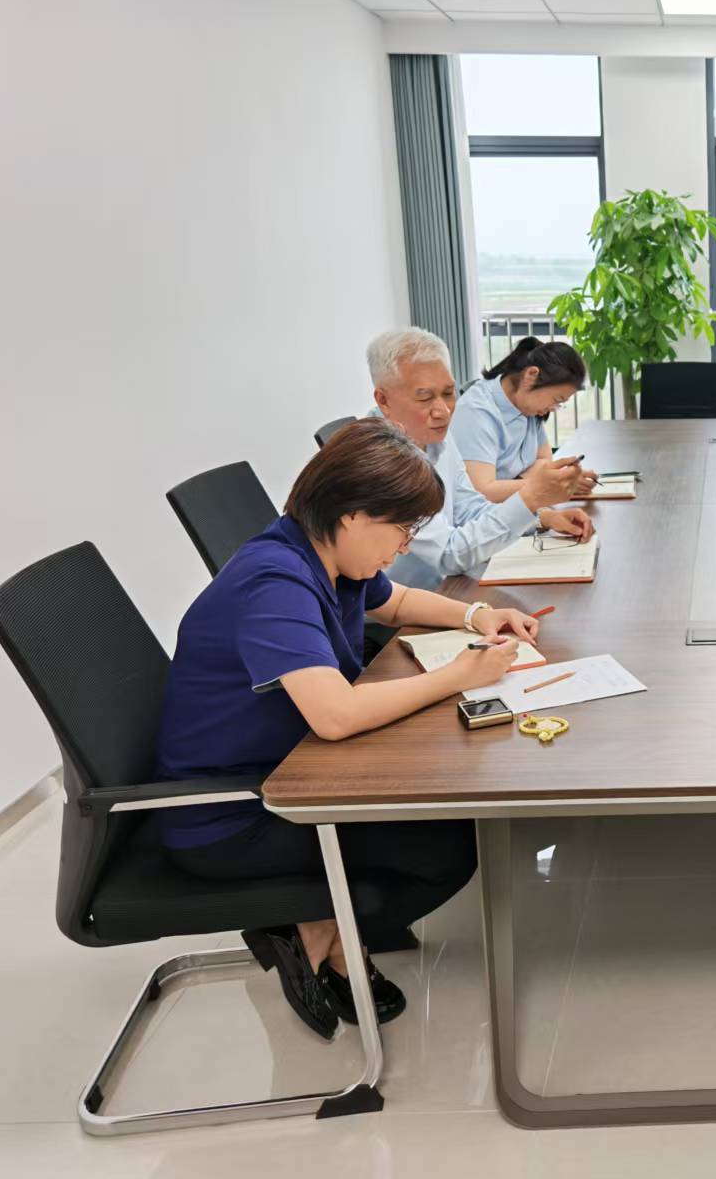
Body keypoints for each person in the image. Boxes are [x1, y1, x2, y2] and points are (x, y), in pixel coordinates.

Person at [155, 420, 543, 1039]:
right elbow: (335, 716)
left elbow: (396, 603)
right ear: (355, 514)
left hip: (293, 769)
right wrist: (460, 675)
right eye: (403, 529)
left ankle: (322, 926)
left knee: (445, 820)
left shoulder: (325, 552)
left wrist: (478, 614)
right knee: (447, 849)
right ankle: (319, 926)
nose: (405, 547)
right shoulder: (275, 582)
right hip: (234, 814)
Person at [364, 328, 593, 590]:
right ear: (384, 400)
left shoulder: (434, 436)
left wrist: (541, 517)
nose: (443, 411)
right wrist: (530, 498)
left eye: (448, 393)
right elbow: (448, 555)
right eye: (425, 397)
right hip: (411, 598)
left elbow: (469, 508)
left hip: (448, 585)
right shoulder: (382, 458)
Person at [449, 336, 600, 504]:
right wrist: (550, 484)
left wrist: (559, 481)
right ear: (531, 375)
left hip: (518, 507)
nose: (553, 408)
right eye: (556, 400)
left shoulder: (528, 407)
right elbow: (482, 491)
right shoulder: (475, 412)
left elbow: (544, 460)